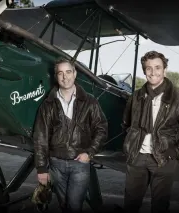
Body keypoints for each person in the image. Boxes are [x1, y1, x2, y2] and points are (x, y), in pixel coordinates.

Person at [121, 50, 179, 213]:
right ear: (144, 71)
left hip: (163, 160)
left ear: (165, 70)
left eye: (157, 67)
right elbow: (126, 124)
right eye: (148, 68)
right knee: (130, 205)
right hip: (137, 159)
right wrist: (131, 147)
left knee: (160, 207)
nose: (153, 72)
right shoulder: (136, 96)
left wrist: (173, 153)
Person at [33, 57, 108, 213]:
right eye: (60, 73)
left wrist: (90, 152)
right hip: (56, 164)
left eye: (68, 72)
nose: (64, 77)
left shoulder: (90, 102)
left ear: (75, 74)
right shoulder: (47, 104)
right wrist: (41, 169)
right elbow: (41, 137)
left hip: (79, 164)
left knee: (74, 206)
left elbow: (102, 129)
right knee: (64, 206)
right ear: (56, 76)